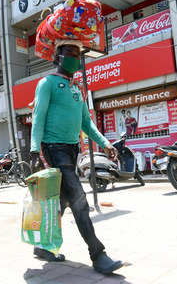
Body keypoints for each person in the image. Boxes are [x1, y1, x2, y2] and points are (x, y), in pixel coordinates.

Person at [29, 43, 122, 274]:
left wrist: (105, 143)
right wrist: (34, 150)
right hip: (53, 148)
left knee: (62, 201)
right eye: (70, 54)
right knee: (79, 199)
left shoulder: (77, 89)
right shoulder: (47, 83)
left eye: (78, 55)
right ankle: (98, 254)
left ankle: (42, 245)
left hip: (72, 150)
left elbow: (86, 123)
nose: (75, 58)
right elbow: (38, 117)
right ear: (58, 57)